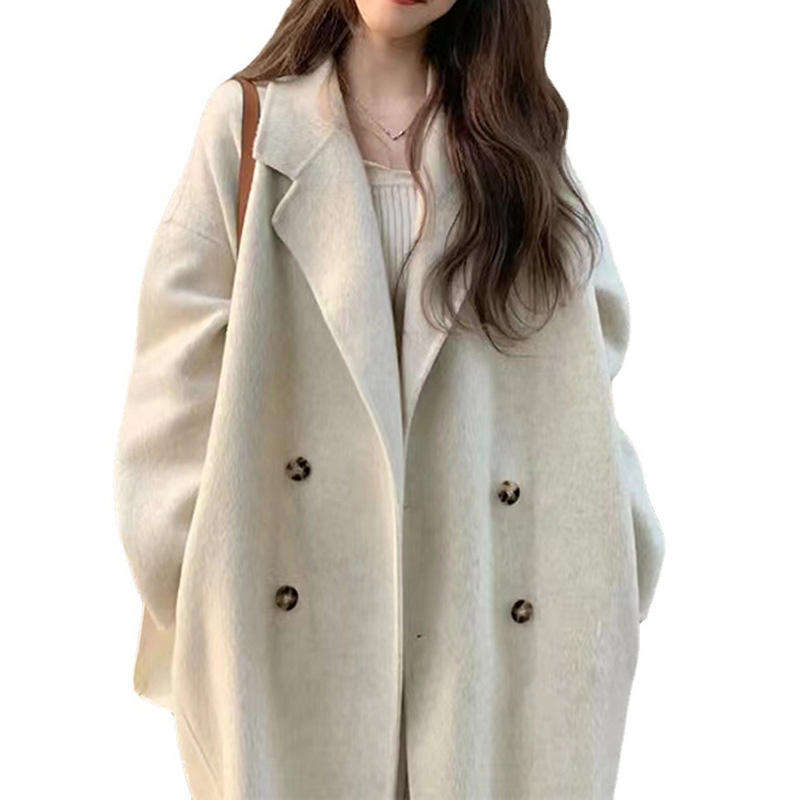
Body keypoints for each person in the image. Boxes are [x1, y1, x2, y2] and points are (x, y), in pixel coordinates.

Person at [113, 1, 665, 797]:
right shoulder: (250, 130)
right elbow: (171, 399)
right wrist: (212, 596)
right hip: (290, 643)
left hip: (484, 648)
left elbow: (589, 368)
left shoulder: (519, 147)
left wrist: (616, 562)